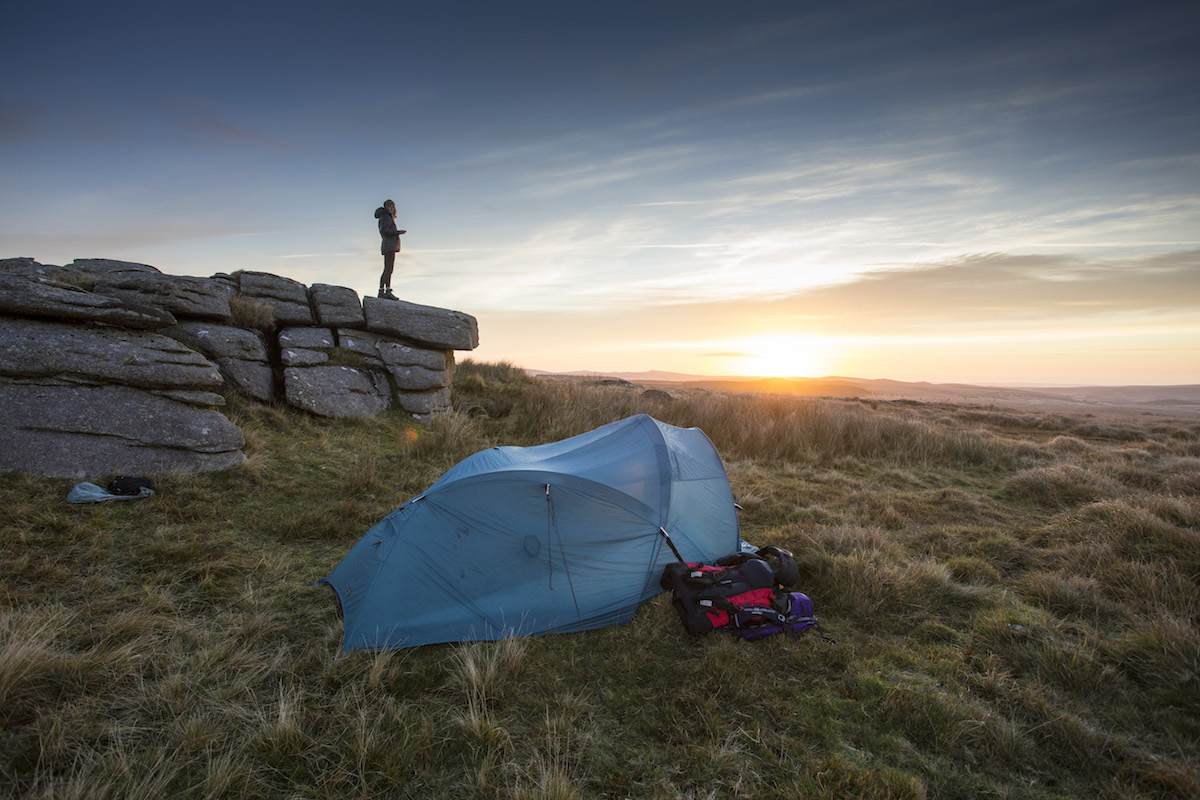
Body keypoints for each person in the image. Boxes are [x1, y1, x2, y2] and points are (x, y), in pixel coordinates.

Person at [374, 199, 406, 300]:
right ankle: (386, 291)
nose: (391, 208)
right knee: (388, 269)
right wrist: (397, 232)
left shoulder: (387, 217)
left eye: (392, 206)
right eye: (389, 206)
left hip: (389, 245)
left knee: (387, 269)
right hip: (389, 246)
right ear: (386, 208)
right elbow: (384, 230)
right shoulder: (385, 217)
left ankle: (382, 291)